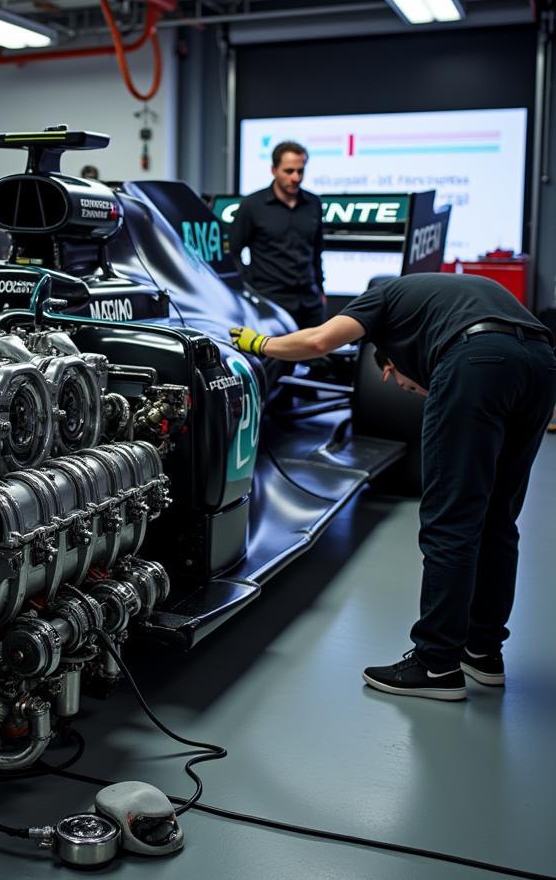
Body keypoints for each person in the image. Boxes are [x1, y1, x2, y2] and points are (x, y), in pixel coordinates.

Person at [229, 272, 556, 701]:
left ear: (389, 361)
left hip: (477, 361)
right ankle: (483, 652)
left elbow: (317, 342)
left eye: (408, 387)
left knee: (451, 520)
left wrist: (256, 343)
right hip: (542, 362)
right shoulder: (446, 296)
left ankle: (436, 664)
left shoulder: (379, 297)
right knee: (499, 518)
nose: (418, 392)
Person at [229, 140, 325, 329]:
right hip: (270, 302)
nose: (296, 177)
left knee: (317, 358)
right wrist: (249, 286)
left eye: (300, 171)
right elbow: (233, 250)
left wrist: (320, 290)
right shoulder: (252, 205)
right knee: (274, 358)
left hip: (310, 302)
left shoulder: (313, 203)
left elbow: (316, 252)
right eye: (289, 171)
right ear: (274, 170)